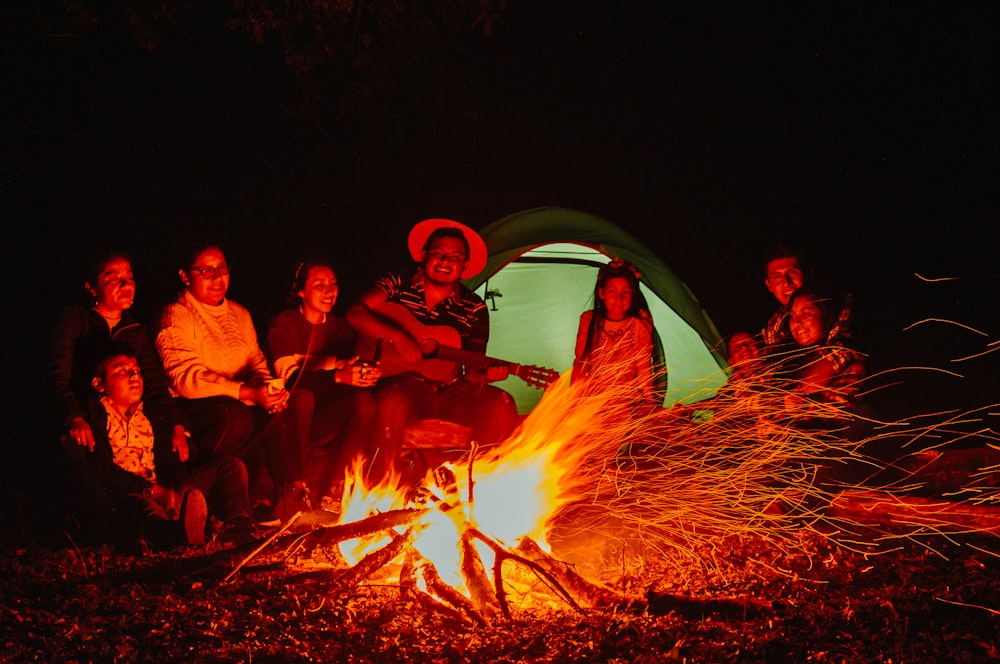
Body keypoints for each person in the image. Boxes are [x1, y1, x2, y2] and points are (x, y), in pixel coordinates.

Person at [346, 218, 519, 487]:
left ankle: (473, 485)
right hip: (401, 383)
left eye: (455, 257)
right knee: (391, 399)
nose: (445, 261)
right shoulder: (396, 284)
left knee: (502, 404)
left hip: (449, 388)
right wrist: (398, 336)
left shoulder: (474, 308)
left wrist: (489, 375)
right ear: (424, 256)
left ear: (465, 267)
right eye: (438, 253)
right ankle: (383, 490)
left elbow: (473, 371)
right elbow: (356, 313)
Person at [155, 240, 310, 523]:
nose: (217, 278)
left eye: (223, 268)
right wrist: (249, 392)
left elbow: (256, 362)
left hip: (239, 399)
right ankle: (219, 499)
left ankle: (287, 498)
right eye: (206, 271)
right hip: (194, 411)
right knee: (238, 417)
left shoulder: (239, 314)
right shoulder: (176, 314)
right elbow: (186, 380)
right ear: (185, 276)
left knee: (281, 407)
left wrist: (268, 390)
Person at [48, 250, 189, 469]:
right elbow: (57, 374)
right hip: (88, 419)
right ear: (91, 287)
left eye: (129, 277)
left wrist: (177, 424)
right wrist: (74, 415)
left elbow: (154, 384)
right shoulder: (75, 321)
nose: (125, 284)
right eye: (113, 278)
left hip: (129, 424)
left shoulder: (135, 331)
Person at [266, 260, 379, 509]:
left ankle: (337, 489)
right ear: (301, 292)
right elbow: (291, 383)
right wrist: (338, 375)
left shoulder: (340, 328)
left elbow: (346, 375)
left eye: (333, 284)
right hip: (290, 420)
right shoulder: (284, 324)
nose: (329, 291)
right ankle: (295, 489)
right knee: (302, 397)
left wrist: (362, 375)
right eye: (319, 285)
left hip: (324, 421)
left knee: (363, 400)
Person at [76, 343, 212, 548]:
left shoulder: (150, 413)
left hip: (162, 486)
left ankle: (238, 524)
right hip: (130, 492)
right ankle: (177, 535)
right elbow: (104, 470)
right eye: (121, 371)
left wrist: (177, 489)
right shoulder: (95, 419)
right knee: (145, 509)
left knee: (229, 467)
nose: (133, 376)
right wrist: (153, 491)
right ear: (99, 384)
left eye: (136, 371)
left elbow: (167, 458)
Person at [572, 258, 657, 410]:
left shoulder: (640, 321)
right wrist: (574, 399)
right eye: (612, 291)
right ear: (601, 293)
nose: (619, 298)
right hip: (596, 399)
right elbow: (580, 362)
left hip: (629, 400)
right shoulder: (589, 320)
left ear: (633, 295)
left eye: (626, 292)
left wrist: (650, 401)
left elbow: (643, 365)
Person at [759, 244, 853, 369]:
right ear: (769, 285)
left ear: (808, 273)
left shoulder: (837, 302)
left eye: (793, 272)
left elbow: (842, 346)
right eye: (777, 277)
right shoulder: (772, 328)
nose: (786, 283)